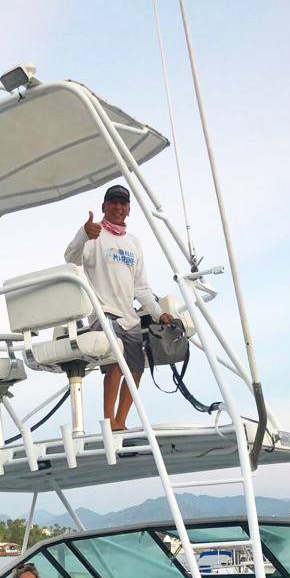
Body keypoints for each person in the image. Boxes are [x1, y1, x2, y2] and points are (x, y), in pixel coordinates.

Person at [64, 183, 173, 430]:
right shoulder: (94, 235)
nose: (117, 207)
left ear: (129, 209)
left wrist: (158, 313)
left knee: (135, 369)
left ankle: (121, 421)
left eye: (122, 203)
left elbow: (142, 288)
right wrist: (83, 233)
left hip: (129, 316)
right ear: (104, 206)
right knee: (115, 363)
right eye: (113, 202)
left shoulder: (134, 243)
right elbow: (70, 258)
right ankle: (109, 421)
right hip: (102, 313)